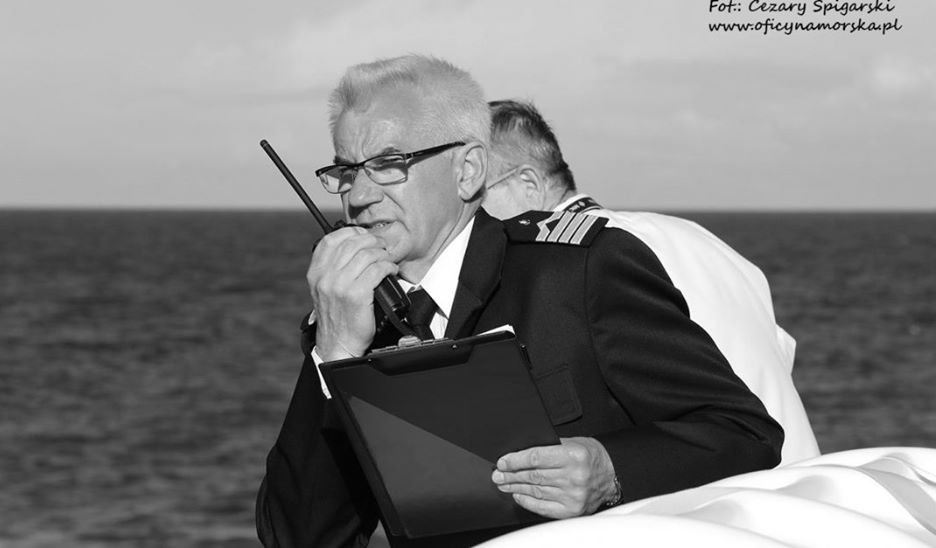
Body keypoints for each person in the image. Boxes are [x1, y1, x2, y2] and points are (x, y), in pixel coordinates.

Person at [256, 55, 783, 548]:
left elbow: (743, 433)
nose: (358, 196)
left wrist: (609, 471)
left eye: (389, 164)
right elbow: (297, 538)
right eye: (347, 171)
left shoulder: (574, 274)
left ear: (468, 170)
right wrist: (334, 352)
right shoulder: (356, 319)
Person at [483, 99, 820, 465]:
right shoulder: (699, 238)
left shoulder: (578, 265)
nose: (471, 225)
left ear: (529, 184)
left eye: (475, 199)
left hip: (728, 481)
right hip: (803, 477)